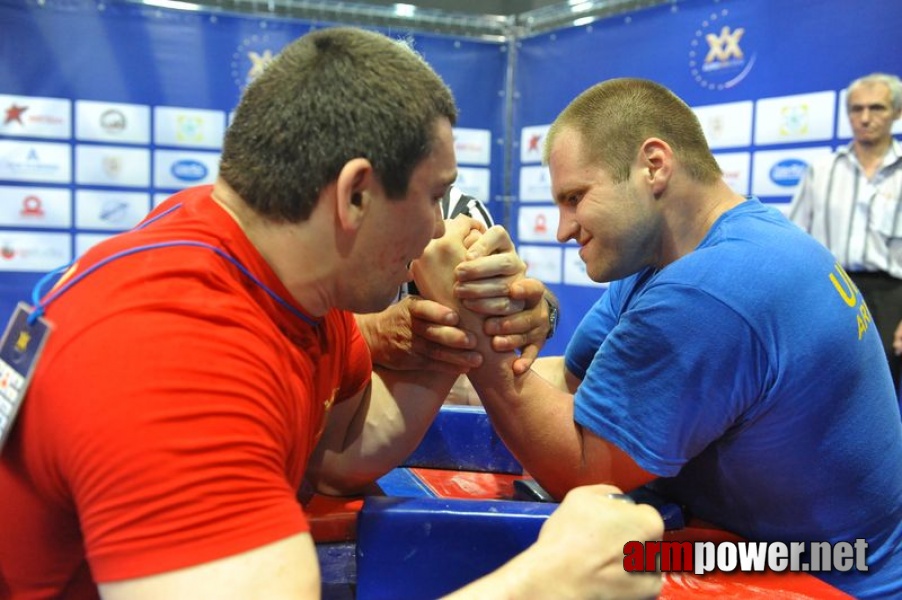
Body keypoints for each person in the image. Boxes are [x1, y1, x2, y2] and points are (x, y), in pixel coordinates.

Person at [0, 29, 664, 599]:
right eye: (436, 197)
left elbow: (339, 449)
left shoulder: (278, 273)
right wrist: (555, 578)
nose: (441, 225)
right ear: (355, 195)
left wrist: (449, 332)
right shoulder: (175, 355)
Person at [413, 77, 902, 598]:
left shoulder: (714, 289)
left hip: (826, 572)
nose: (562, 229)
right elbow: (576, 382)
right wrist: (462, 341)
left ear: (653, 165)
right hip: (763, 545)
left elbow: (580, 470)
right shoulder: (671, 256)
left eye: (575, 198)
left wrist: (473, 330)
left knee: (590, 562)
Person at [356, 185, 561, 406]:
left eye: (437, 194)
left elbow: (512, 301)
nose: (438, 229)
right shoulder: (333, 218)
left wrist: (541, 308)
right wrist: (369, 334)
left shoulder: (461, 213)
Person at [788, 73, 902, 392]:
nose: (864, 118)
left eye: (876, 108)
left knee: (882, 396)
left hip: (893, 298)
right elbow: (794, 239)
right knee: (824, 390)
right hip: (830, 290)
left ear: (897, 112)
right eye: (856, 109)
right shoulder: (820, 171)